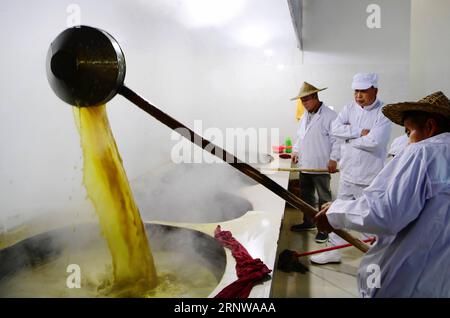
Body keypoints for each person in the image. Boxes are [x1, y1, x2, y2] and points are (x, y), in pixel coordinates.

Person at [314, 91, 450, 297]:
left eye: (408, 132)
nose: (408, 141)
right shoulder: (347, 110)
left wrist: (335, 213)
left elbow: (386, 213)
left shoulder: (423, 152)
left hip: (406, 281)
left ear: (430, 127)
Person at [310, 73, 392, 264]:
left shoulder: (383, 113)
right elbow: (335, 129)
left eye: (363, 91)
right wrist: (357, 133)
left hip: (369, 175)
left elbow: (375, 141)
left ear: (375, 90)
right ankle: (334, 250)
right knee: (337, 212)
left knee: (368, 217)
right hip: (348, 172)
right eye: (356, 91)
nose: (358, 95)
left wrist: (348, 139)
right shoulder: (349, 108)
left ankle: (376, 254)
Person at [290, 82, 340, 243]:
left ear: (316, 97)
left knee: (324, 198)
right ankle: (308, 222)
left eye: (306, 100)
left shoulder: (330, 116)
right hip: (306, 164)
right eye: (302, 101)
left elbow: (337, 140)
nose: (304, 104)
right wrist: (296, 151)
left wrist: (334, 159)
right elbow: (301, 136)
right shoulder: (306, 115)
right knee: (306, 197)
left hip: (321, 165)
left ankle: (324, 229)